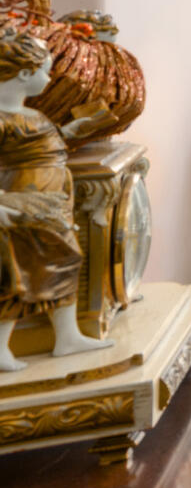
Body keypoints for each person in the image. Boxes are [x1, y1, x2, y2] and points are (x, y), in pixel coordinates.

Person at [0, 19, 111, 373]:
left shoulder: (29, 113)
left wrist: (71, 130)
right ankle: (1, 348)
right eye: (45, 72)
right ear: (23, 74)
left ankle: (68, 336)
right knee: (20, 276)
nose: (49, 80)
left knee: (66, 262)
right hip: (25, 201)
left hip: (52, 200)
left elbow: (44, 146)